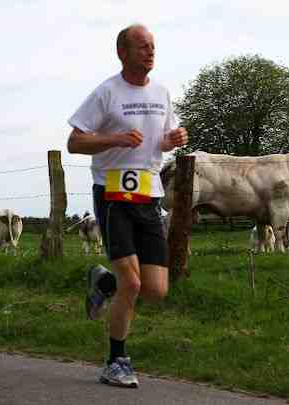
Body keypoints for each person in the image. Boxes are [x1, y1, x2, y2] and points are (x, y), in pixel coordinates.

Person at [66, 23, 188, 388]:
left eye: (153, 46)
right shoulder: (106, 93)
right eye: (142, 47)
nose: (150, 52)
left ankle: (103, 283)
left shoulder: (163, 93)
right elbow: (75, 142)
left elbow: (162, 141)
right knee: (132, 283)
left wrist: (172, 139)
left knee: (156, 289)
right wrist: (113, 138)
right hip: (113, 194)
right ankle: (116, 361)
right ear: (123, 52)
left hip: (149, 195)